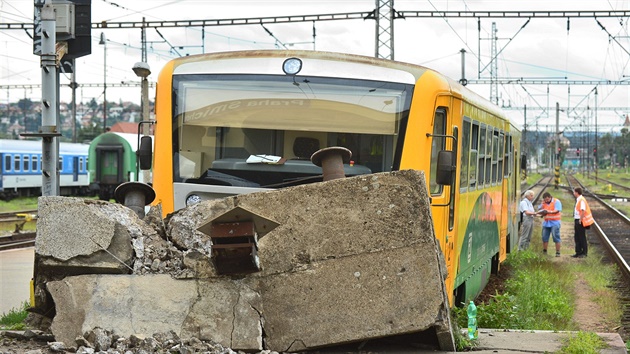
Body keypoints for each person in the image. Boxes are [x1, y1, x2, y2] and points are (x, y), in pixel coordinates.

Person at [572, 187, 594, 258]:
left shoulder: (581, 200)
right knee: (577, 237)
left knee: (581, 237)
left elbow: (583, 210)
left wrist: (580, 220)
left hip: (580, 220)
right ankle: (578, 252)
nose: (573, 193)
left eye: (574, 192)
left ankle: (584, 253)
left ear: (577, 192)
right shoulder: (579, 199)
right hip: (577, 219)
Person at [539, 191, 562, 257]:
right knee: (544, 237)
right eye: (545, 200)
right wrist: (541, 205)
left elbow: (557, 210)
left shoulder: (556, 201)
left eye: (547, 199)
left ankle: (558, 252)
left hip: (555, 222)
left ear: (550, 197)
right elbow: (540, 209)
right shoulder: (543, 202)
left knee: (556, 237)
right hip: (546, 223)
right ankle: (544, 251)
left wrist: (549, 211)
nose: (546, 201)